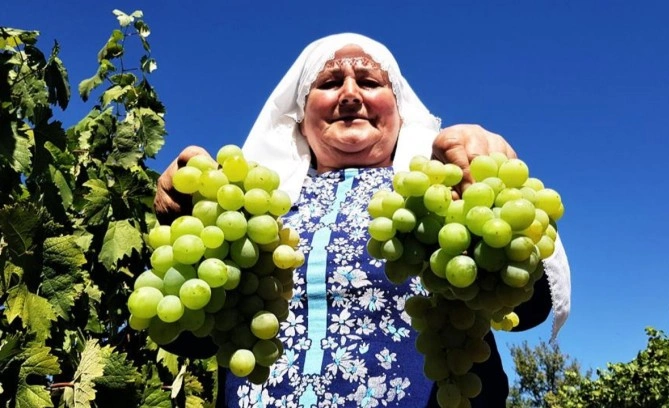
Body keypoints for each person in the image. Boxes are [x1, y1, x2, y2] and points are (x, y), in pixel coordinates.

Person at [154, 33, 571, 408]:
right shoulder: (257, 204)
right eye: (330, 83)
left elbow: (524, 303)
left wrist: (488, 183)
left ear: (400, 109)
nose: (350, 94)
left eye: (370, 83)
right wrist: (189, 219)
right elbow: (189, 332)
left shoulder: (435, 195)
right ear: (299, 112)